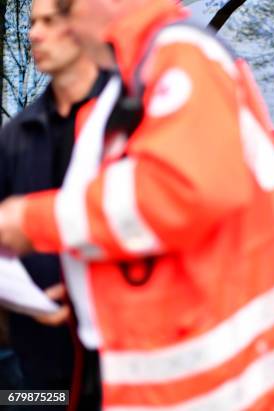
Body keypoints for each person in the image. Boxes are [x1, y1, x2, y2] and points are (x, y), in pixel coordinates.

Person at [0, 0, 274, 409]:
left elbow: (180, 192)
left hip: (236, 380)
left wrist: (30, 220)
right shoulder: (132, 85)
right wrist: (84, 288)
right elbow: (145, 226)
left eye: (66, 9)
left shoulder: (177, 58)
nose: (57, 26)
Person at [0, 0, 105, 398]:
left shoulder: (123, 120)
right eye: (31, 23)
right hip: (33, 372)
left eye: (49, 21)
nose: (34, 33)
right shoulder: (15, 136)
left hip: (119, 365)